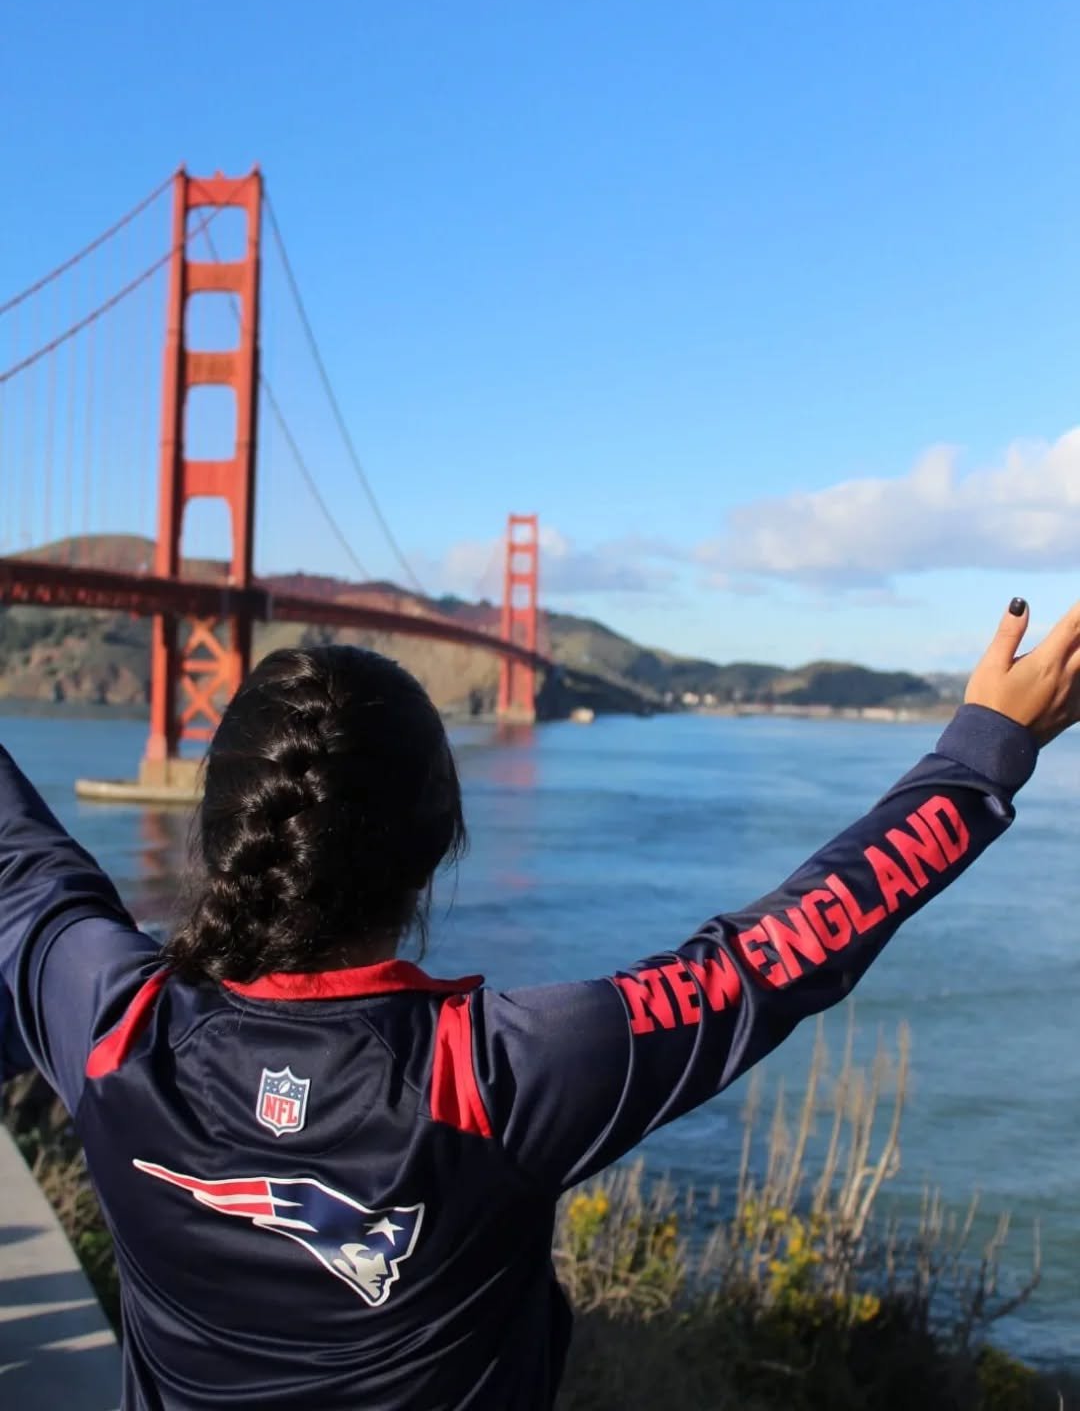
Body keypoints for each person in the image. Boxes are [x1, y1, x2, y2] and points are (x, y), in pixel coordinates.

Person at [1, 595, 1078, 1411]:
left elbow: (20, 860)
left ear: (221, 825)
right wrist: (984, 748)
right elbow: (782, 955)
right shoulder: (502, 1075)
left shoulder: (111, 1029)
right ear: (438, 846)